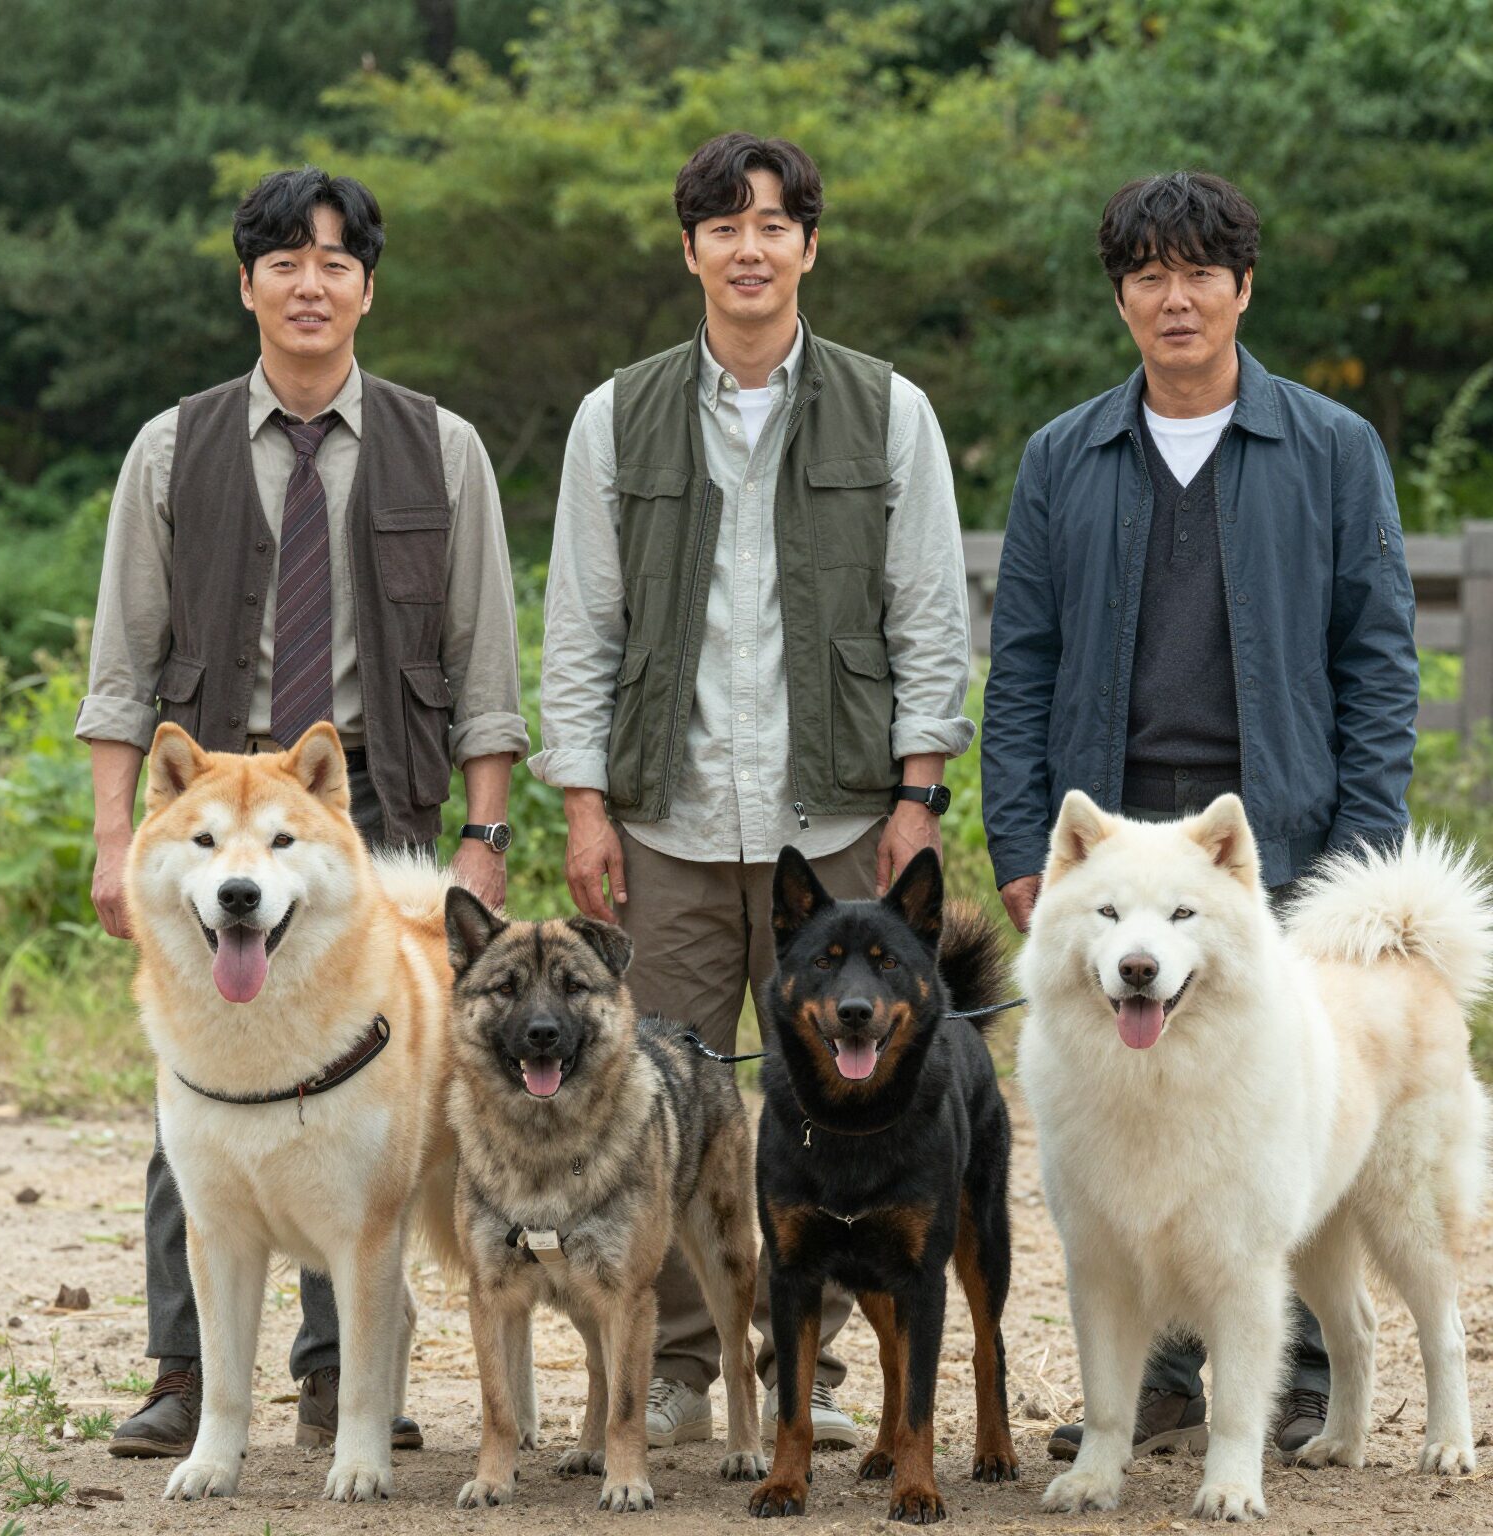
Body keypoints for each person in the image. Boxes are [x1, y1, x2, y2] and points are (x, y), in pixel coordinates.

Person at [530, 132, 976, 1451]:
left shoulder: (890, 410)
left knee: (837, 1096)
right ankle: (675, 1368)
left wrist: (918, 795)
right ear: (688, 250)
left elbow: (931, 616)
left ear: (809, 248)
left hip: (835, 811)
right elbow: (581, 625)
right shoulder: (617, 416)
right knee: (656, 1097)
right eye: (722, 225)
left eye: (774, 224)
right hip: (665, 808)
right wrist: (584, 802)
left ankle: (811, 1375)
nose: (749, 246)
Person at [76, 167, 529, 1458]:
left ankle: (341, 1379)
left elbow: (488, 668)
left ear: (368, 288)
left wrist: (484, 846)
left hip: (368, 801)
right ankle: (181, 1369)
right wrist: (121, 841)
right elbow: (121, 669)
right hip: (208, 797)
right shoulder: (173, 447)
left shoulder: (442, 448)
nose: (310, 282)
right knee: (204, 1075)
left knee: (361, 1093)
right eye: (284, 261)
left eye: (336, 261)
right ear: (248, 286)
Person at [982, 170, 1418, 1460]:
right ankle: (1160, 1386)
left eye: (1200, 273)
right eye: (1149, 275)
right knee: (1133, 1106)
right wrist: (1024, 848)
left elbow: (1377, 666)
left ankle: (1268, 1380)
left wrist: (1358, 860)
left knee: (1248, 1118)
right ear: (1120, 294)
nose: (1176, 298)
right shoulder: (1067, 456)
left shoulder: (1335, 452)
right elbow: (1026, 666)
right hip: (1110, 849)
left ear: (1242, 288)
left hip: (1269, 844)